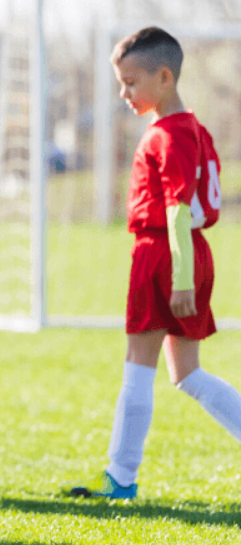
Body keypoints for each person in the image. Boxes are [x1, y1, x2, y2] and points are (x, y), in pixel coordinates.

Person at [69, 26, 241, 499]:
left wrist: (180, 278)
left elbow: (178, 210)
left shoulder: (169, 135)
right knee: (186, 374)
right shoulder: (193, 128)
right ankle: (120, 476)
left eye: (130, 82)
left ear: (164, 77)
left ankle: (120, 478)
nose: (123, 93)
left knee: (138, 365)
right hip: (185, 254)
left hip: (166, 253)